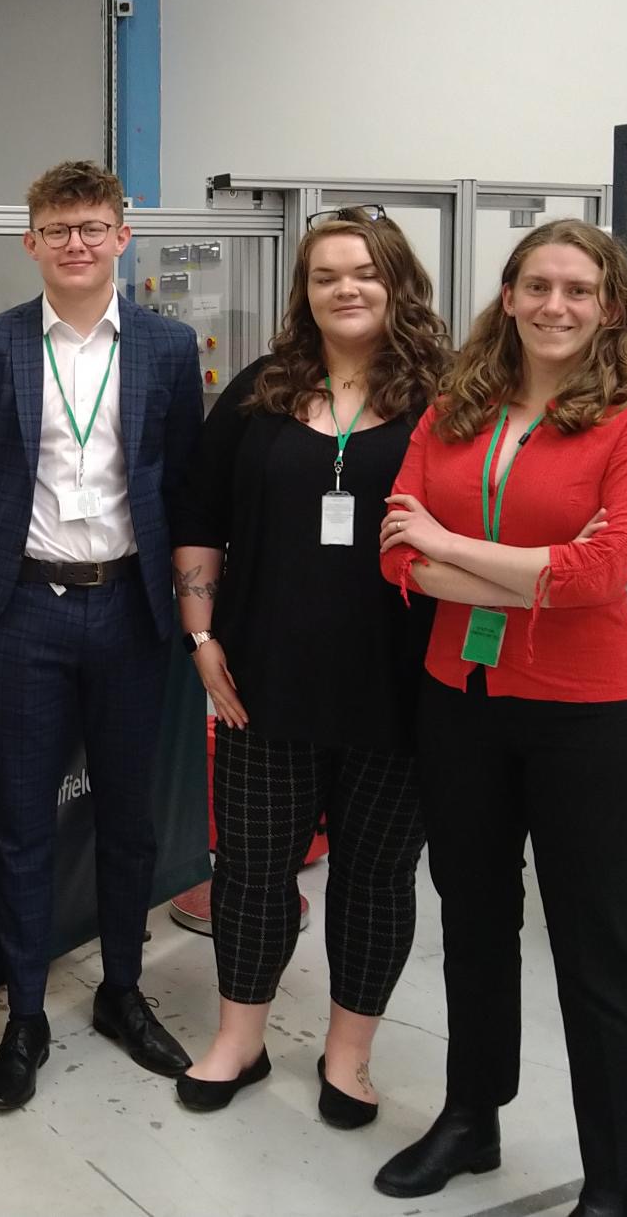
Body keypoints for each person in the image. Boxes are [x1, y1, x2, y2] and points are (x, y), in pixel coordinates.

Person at [376, 220, 627, 1217]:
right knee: (471, 923)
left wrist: (457, 552)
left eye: (577, 290)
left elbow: (601, 574)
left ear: (610, 309)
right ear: (505, 296)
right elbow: (395, 553)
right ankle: (471, 1118)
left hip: (587, 719)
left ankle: (616, 1179)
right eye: (536, 285)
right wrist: (532, 577)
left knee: (594, 952)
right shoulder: (454, 411)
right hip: (457, 703)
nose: (555, 305)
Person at [174, 209, 449, 1122]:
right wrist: (203, 638)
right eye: (327, 274)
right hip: (265, 683)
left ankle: (347, 1057)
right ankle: (239, 1040)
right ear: (306, 290)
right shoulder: (261, 389)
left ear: (397, 281)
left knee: (374, 877)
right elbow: (199, 519)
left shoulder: (446, 396)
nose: (346, 288)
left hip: (399, 689)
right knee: (252, 869)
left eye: (364, 271)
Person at [0, 159, 205, 1111]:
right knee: (22, 819)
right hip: (31, 617)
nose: (78, 244)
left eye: (94, 226)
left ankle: (123, 992)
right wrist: (12, 572)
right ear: (32, 243)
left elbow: (182, 484)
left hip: (133, 613)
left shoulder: (170, 348)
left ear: (122, 237)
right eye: (59, 230)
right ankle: (24, 1016)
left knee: (129, 815)